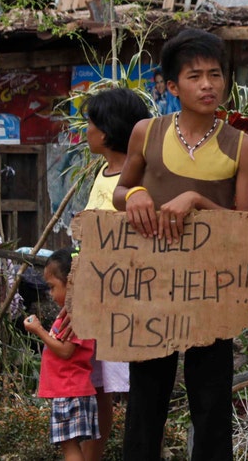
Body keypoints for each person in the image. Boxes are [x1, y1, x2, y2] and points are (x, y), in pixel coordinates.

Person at [113, 29, 248, 461]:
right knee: (145, 405)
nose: (208, 85)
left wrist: (198, 200)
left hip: (211, 291)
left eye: (216, 75)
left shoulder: (243, 146)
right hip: (152, 289)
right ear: (172, 86)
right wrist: (135, 195)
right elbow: (122, 191)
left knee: (212, 406)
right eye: (195, 76)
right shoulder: (147, 132)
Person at [79, 87, 149, 461]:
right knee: (97, 388)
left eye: (88, 124)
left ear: (104, 133)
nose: (84, 131)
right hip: (95, 300)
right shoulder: (104, 175)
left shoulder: (134, 183)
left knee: (128, 388)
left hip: (123, 305)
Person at [24, 247, 99, 461]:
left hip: (70, 390)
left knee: (69, 447)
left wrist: (38, 330)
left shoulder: (76, 315)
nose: (50, 293)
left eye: (52, 287)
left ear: (71, 283)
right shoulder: (70, 313)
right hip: (72, 389)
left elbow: (66, 351)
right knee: (72, 446)